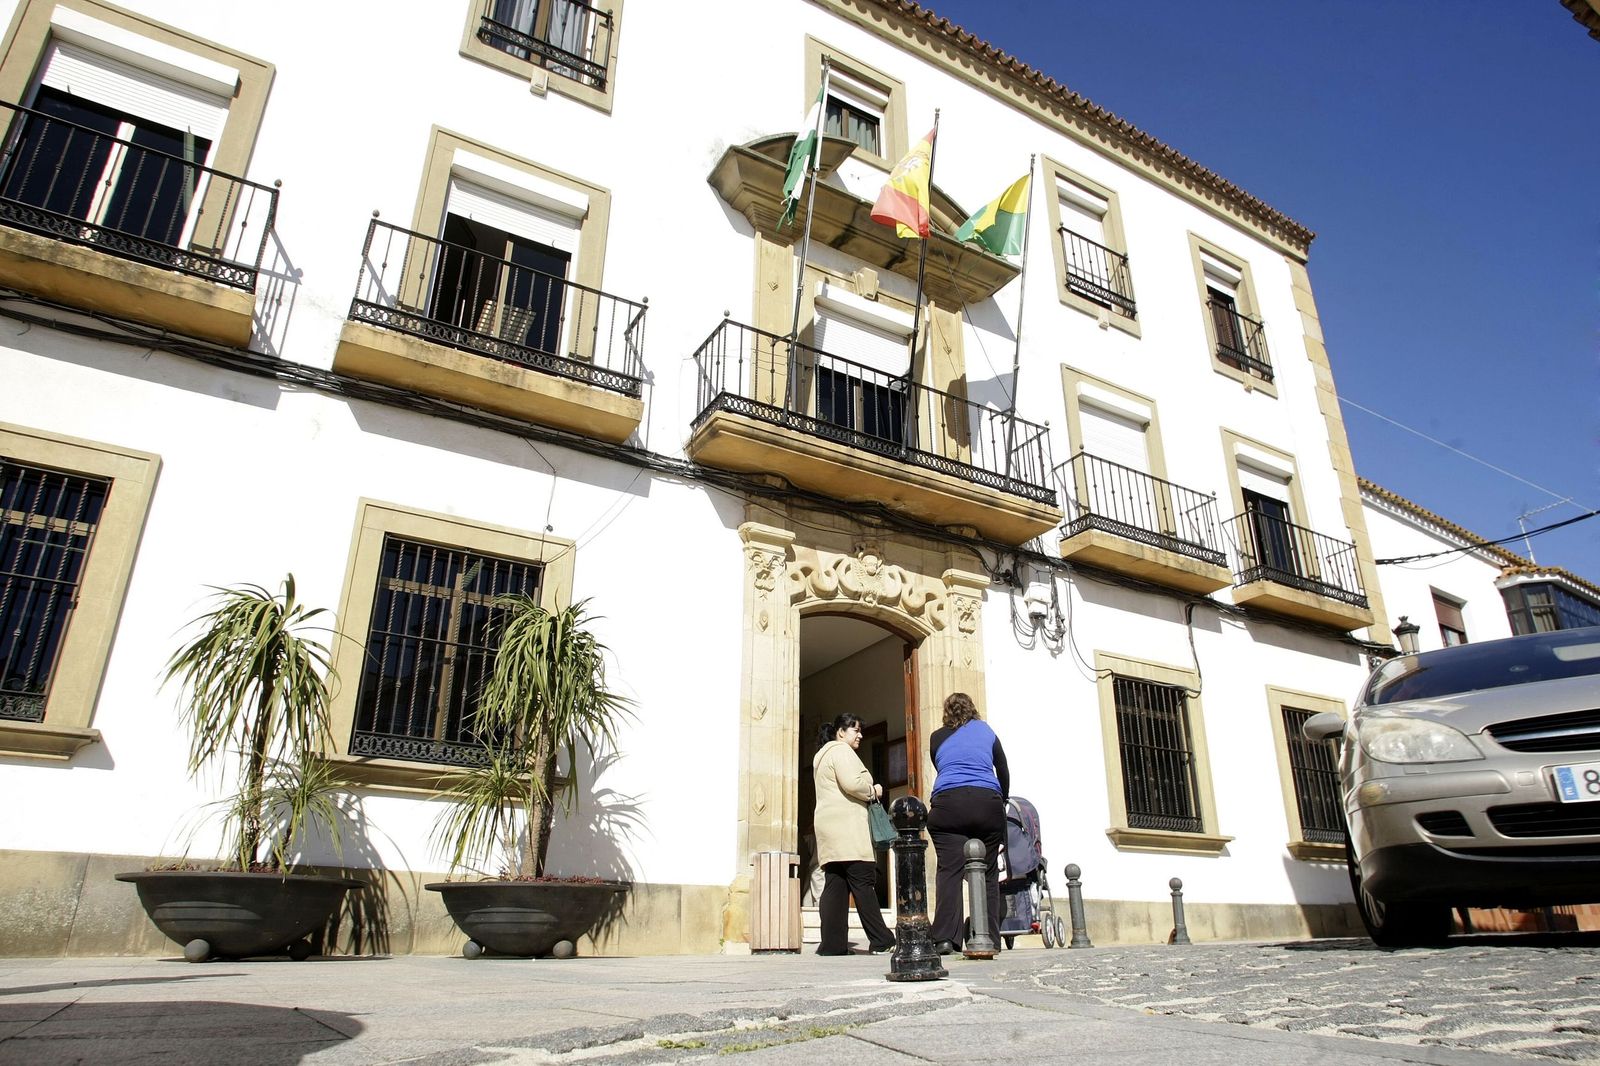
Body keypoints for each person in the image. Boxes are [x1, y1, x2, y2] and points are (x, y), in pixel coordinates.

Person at [927, 691, 1009, 955]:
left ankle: (945, 939)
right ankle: (990, 938)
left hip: (948, 805)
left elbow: (941, 768)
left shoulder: (937, 737)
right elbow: (1003, 769)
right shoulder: (987, 732)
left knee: (949, 870)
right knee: (987, 872)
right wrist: (1002, 798)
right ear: (972, 709)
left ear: (946, 712)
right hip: (988, 802)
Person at [811, 713, 896, 956]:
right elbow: (851, 783)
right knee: (863, 881)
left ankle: (832, 945)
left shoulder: (821, 755)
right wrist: (874, 789)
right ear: (840, 732)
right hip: (848, 826)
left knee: (835, 883)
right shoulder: (841, 751)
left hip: (828, 826)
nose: (859, 735)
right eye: (855, 730)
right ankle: (882, 940)